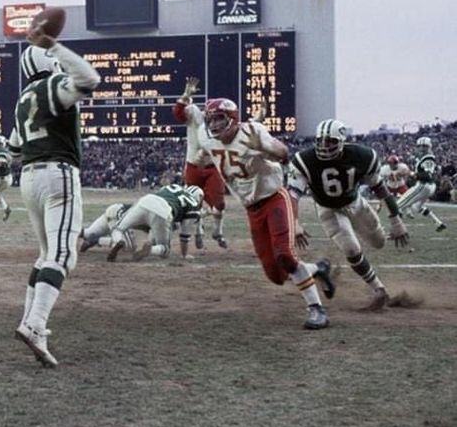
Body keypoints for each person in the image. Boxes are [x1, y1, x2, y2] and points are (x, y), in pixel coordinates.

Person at [196, 98, 335, 330]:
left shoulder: (252, 132)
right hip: (252, 209)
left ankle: (316, 310)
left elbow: (283, 153)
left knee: (285, 256)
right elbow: (203, 154)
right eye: (211, 119)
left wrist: (264, 147)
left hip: (274, 198)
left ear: (232, 118)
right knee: (276, 275)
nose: (215, 124)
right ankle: (317, 268)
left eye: (219, 118)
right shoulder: (207, 139)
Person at [8, 22, 101, 367]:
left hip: (29, 177)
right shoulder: (52, 85)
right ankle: (35, 324)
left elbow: (15, 147)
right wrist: (56, 46)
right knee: (62, 256)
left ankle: (30, 320)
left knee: (46, 254)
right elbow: (90, 80)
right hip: (58, 174)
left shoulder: (22, 99)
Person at [288, 119, 410, 310]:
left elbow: (380, 188)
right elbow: (293, 195)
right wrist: (294, 222)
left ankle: (326, 268)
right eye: (321, 141)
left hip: (356, 204)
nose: (324, 146)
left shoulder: (362, 156)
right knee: (352, 250)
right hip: (329, 210)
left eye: (331, 141)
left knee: (379, 242)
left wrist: (396, 220)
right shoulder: (305, 160)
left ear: (342, 141)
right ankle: (379, 289)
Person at [172, 77, 227, 250]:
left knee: (218, 204)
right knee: (192, 202)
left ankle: (217, 231)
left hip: (212, 167)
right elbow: (179, 113)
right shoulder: (195, 115)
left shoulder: (224, 125)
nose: (215, 121)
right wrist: (186, 94)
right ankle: (199, 230)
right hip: (193, 166)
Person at [106, 185, 204, 262]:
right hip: (163, 211)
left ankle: (119, 240)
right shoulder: (193, 205)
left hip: (145, 201)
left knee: (118, 229)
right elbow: (184, 236)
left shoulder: (174, 187)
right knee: (165, 250)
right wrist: (184, 254)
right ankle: (151, 250)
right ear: (199, 197)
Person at [397, 137, 447, 231]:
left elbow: (427, 175)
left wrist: (412, 174)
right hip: (429, 186)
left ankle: (398, 230)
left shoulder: (428, 158)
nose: (422, 148)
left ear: (429, 147)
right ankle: (439, 223)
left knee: (397, 206)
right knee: (416, 207)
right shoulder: (425, 157)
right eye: (420, 146)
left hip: (424, 185)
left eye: (424, 146)